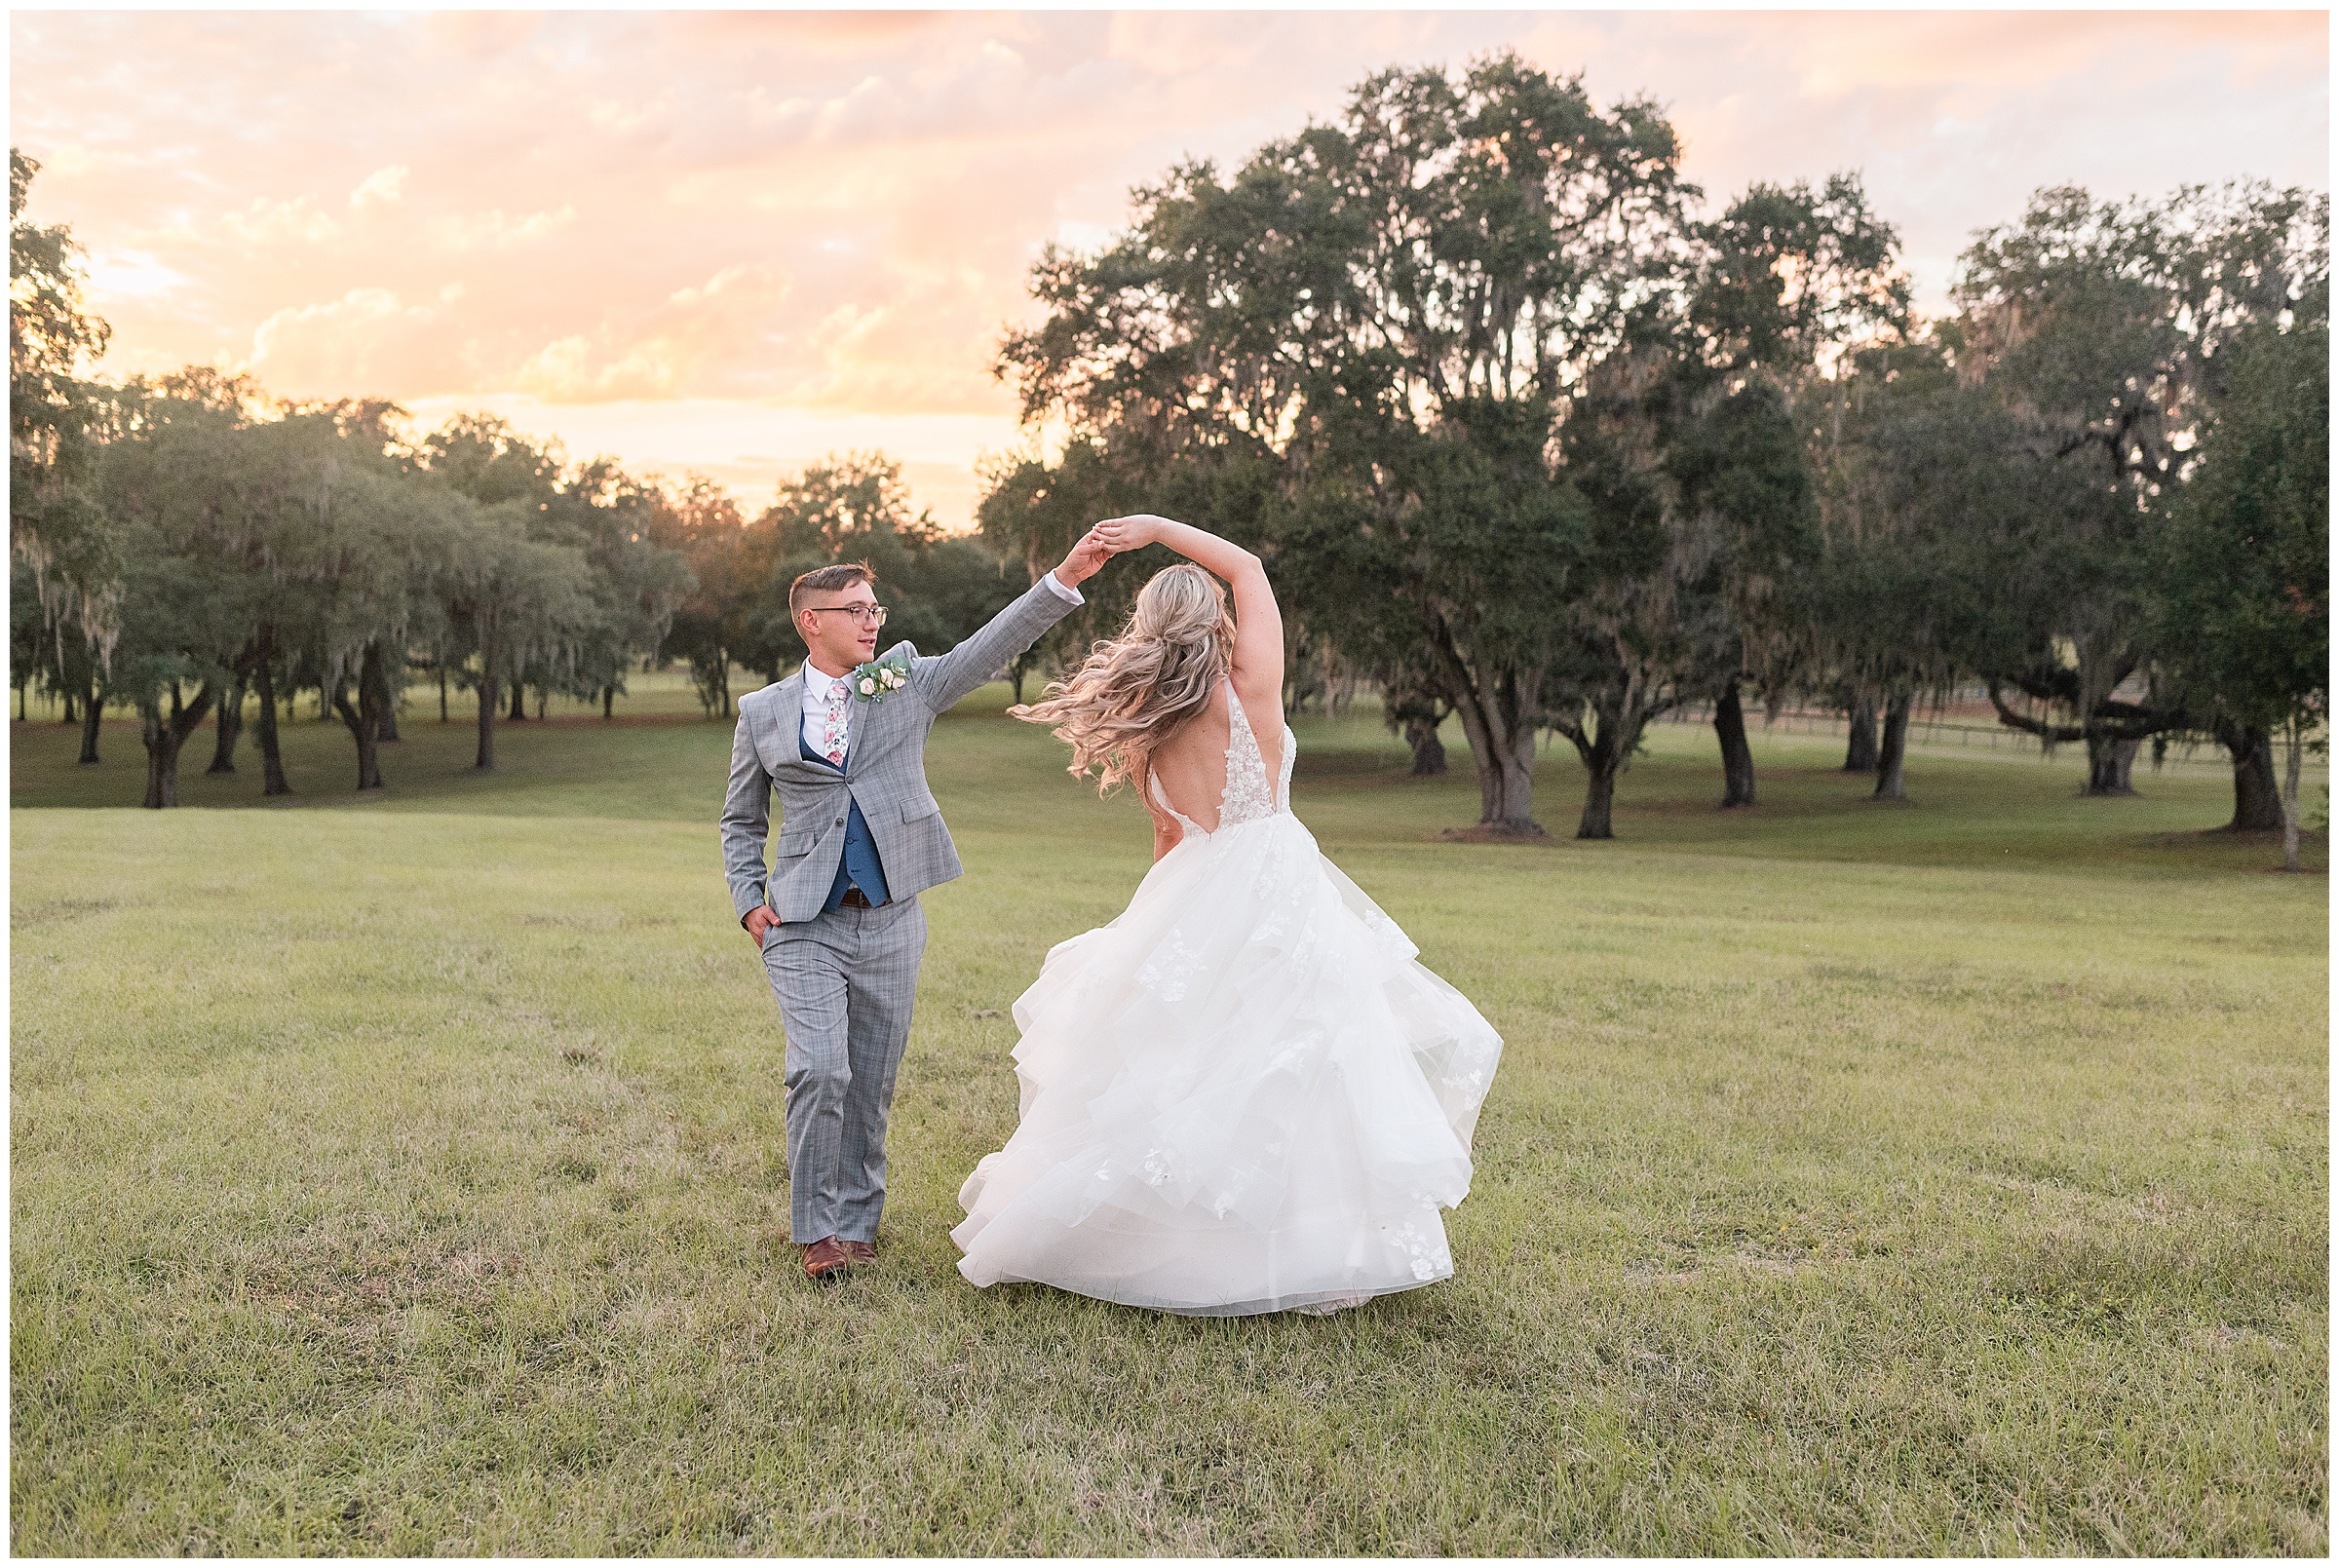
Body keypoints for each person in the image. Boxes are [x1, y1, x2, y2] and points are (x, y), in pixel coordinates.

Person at [951, 514, 1503, 1316]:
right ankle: (1300, 1248)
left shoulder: (1149, 721)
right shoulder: (1251, 687)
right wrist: (1157, 529)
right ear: (1216, 621)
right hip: (1277, 881)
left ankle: (1177, 1244)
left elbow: (1168, 838)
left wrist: (1157, 935)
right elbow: (1249, 565)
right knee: (1302, 1060)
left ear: (1148, 628)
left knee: (1193, 1064)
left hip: (1194, 889)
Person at [722, 531, 1116, 1281]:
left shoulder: (904, 681)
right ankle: (818, 1232)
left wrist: (1063, 578)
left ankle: (859, 1221)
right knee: (819, 1071)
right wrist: (749, 902)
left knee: (870, 1080)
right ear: (812, 620)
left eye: (877, 609)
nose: (872, 622)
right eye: (856, 610)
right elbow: (740, 818)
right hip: (802, 923)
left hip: (893, 920)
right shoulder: (763, 712)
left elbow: (986, 647)